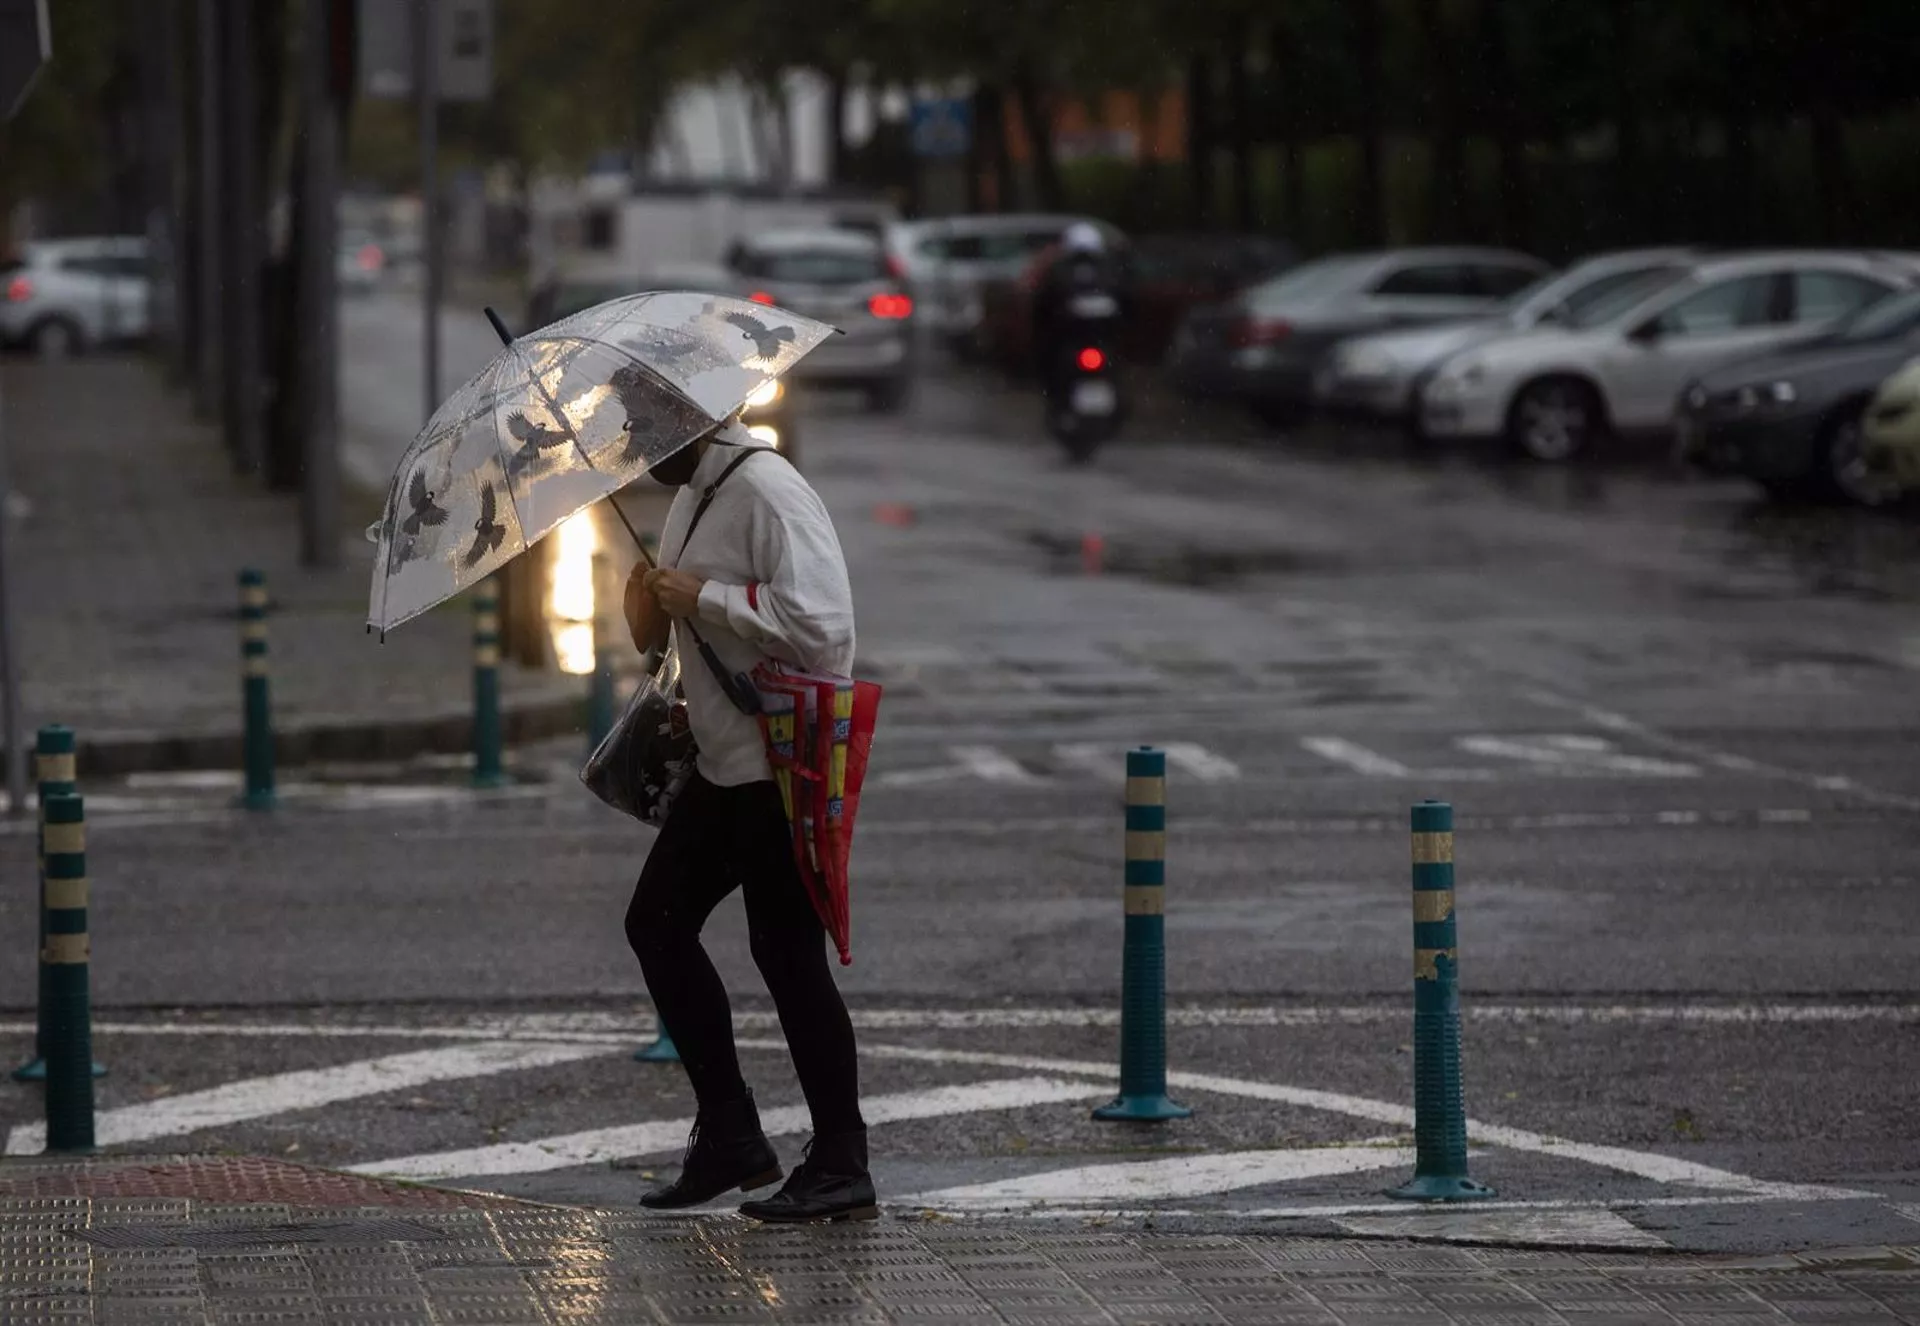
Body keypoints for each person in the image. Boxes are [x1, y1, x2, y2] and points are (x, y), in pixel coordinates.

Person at [621, 415, 873, 1223]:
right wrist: (652, 612)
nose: (636, 450)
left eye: (645, 433)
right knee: (657, 925)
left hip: (777, 765)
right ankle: (731, 1134)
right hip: (725, 760)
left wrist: (708, 597)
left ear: (691, 424)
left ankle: (841, 1161)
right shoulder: (694, 494)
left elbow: (825, 631)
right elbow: (688, 634)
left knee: (788, 955)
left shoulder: (766, 488)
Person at [1031, 221, 1128, 383]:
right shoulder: (1108, 272)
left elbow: (1042, 306)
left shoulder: (1060, 272)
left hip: (1087, 347)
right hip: (1082, 346)